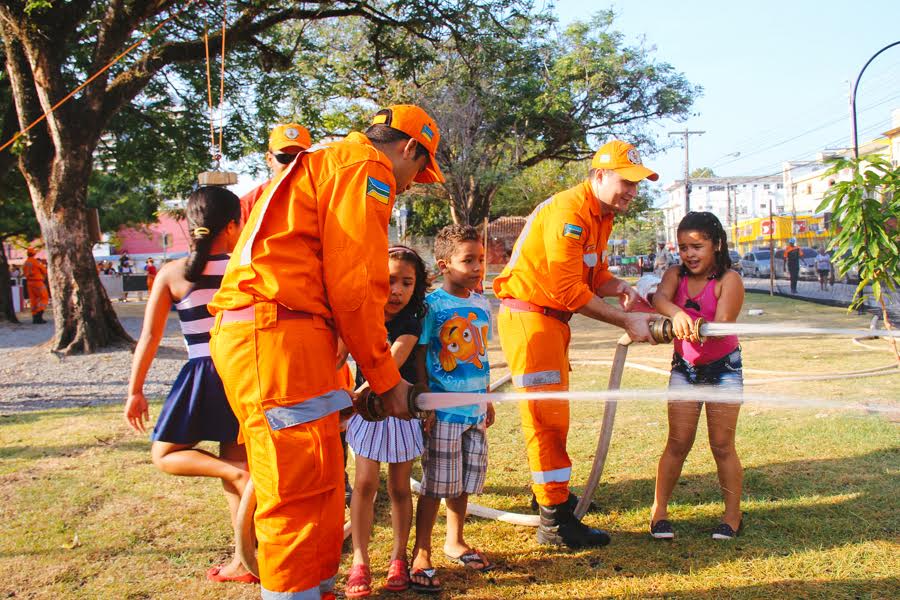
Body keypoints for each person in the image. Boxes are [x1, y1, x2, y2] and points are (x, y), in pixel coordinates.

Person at [207, 104, 444, 600]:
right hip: (276, 337)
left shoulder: (331, 163)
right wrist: (385, 379)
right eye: (416, 172)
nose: (407, 185)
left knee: (320, 481)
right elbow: (357, 284)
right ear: (408, 148)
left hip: (290, 335)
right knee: (295, 491)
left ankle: (319, 589)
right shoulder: (367, 168)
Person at [493, 140, 657, 548]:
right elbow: (568, 289)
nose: (632, 192)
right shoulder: (569, 211)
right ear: (599, 176)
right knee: (547, 419)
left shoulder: (600, 214)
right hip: (533, 320)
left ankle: (551, 500)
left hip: (549, 323)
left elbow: (592, 273)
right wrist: (626, 320)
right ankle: (554, 521)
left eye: (637, 185)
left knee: (552, 413)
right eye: (626, 182)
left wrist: (621, 288)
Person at [123, 187, 256, 583]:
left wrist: (135, 390)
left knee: (166, 455)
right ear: (233, 224)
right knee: (235, 466)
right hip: (245, 372)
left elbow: (149, 338)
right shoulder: (246, 269)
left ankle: (244, 560)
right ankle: (244, 559)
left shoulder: (172, 273)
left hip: (204, 372)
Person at [649, 211, 745, 541]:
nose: (689, 254)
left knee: (722, 445)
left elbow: (722, 323)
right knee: (677, 443)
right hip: (685, 369)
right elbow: (659, 297)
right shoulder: (675, 274)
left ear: (716, 245)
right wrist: (675, 313)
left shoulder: (728, 280)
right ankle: (658, 511)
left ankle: (733, 516)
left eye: (697, 246)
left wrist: (691, 324)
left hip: (723, 370)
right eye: (683, 247)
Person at [411, 224, 495, 593]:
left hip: (475, 410)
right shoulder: (433, 304)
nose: (478, 267)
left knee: (462, 482)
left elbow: (481, 356)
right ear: (444, 265)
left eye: (481, 259)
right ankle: (422, 550)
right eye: (468, 260)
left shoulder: (481, 302)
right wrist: (425, 400)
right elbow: (419, 353)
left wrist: (487, 397)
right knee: (434, 484)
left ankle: (455, 540)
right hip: (443, 412)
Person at [344, 245, 429, 598]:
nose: (396, 290)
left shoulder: (413, 317)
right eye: (389, 280)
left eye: (406, 283)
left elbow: (396, 357)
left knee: (398, 488)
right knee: (364, 484)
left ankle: (397, 558)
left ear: (416, 287)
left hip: (400, 410)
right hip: (367, 413)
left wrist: (362, 392)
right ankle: (359, 561)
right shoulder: (364, 312)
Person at [239, 123, 313, 226]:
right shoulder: (248, 204)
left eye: (301, 158)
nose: (293, 163)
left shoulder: (323, 198)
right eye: (284, 158)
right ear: (269, 159)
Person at [22, 247, 49, 324]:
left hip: (29, 283)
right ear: (34, 254)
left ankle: (34, 317)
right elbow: (44, 270)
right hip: (38, 282)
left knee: (33, 300)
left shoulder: (26, 263)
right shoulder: (35, 262)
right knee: (44, 298)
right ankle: (39, 315)